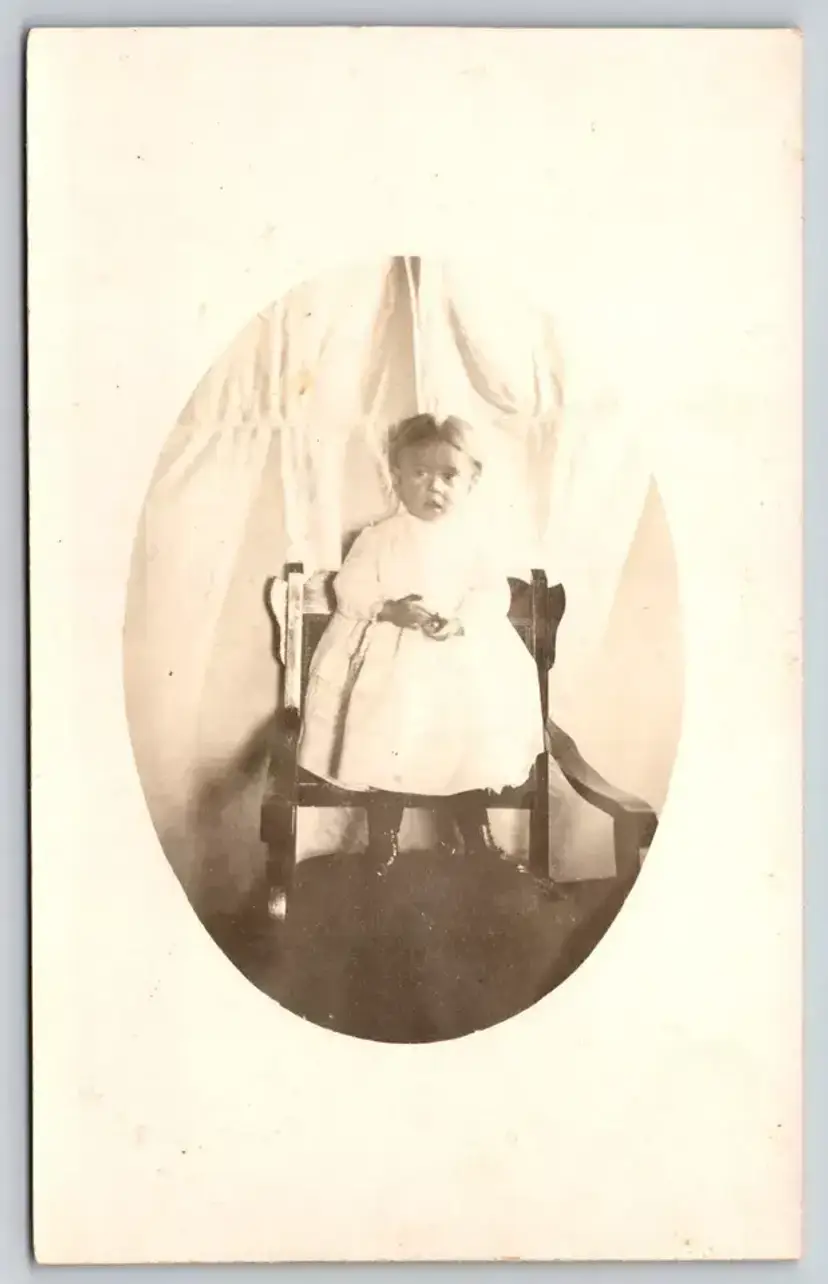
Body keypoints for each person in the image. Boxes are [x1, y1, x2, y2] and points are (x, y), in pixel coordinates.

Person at [297, 412, 545, 872]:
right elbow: (349, 588)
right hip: (394, 673)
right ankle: (383, 839)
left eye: (449, 475)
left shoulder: (475, 540)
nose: (434, 487)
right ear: (397, 476)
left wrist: (459, 621)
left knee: (468, 748)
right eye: (420, 473)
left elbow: (492, 592)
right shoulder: (378, 539)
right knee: (385, 745)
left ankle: (477, 837)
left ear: (472, 480)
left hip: (460, 671)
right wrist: (388, 609)